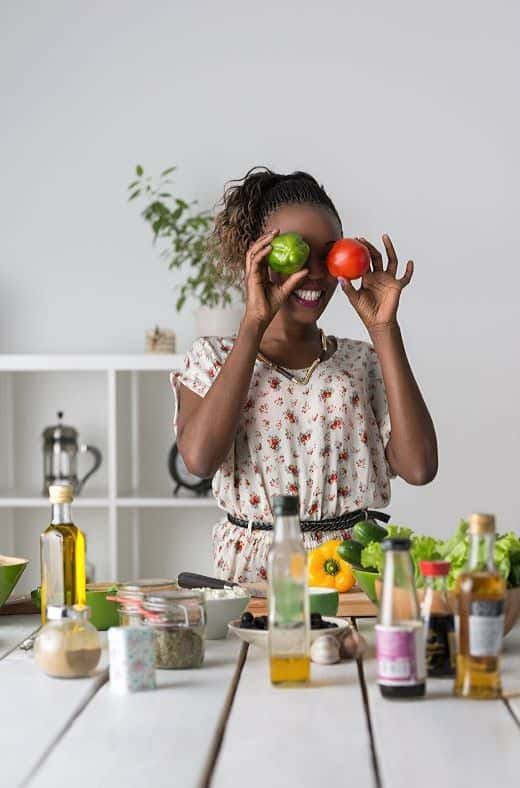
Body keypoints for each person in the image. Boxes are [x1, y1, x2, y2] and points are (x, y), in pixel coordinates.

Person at [171, 168, 438, 582]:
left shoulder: (361, 362)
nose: (314, 273)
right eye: (296, 254)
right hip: (253, 580)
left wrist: (384, 330)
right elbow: (200, 461)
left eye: (329, 255)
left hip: (353, 570)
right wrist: (253, 323)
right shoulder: (212, 357)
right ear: (255, 255)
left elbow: (419, 468)